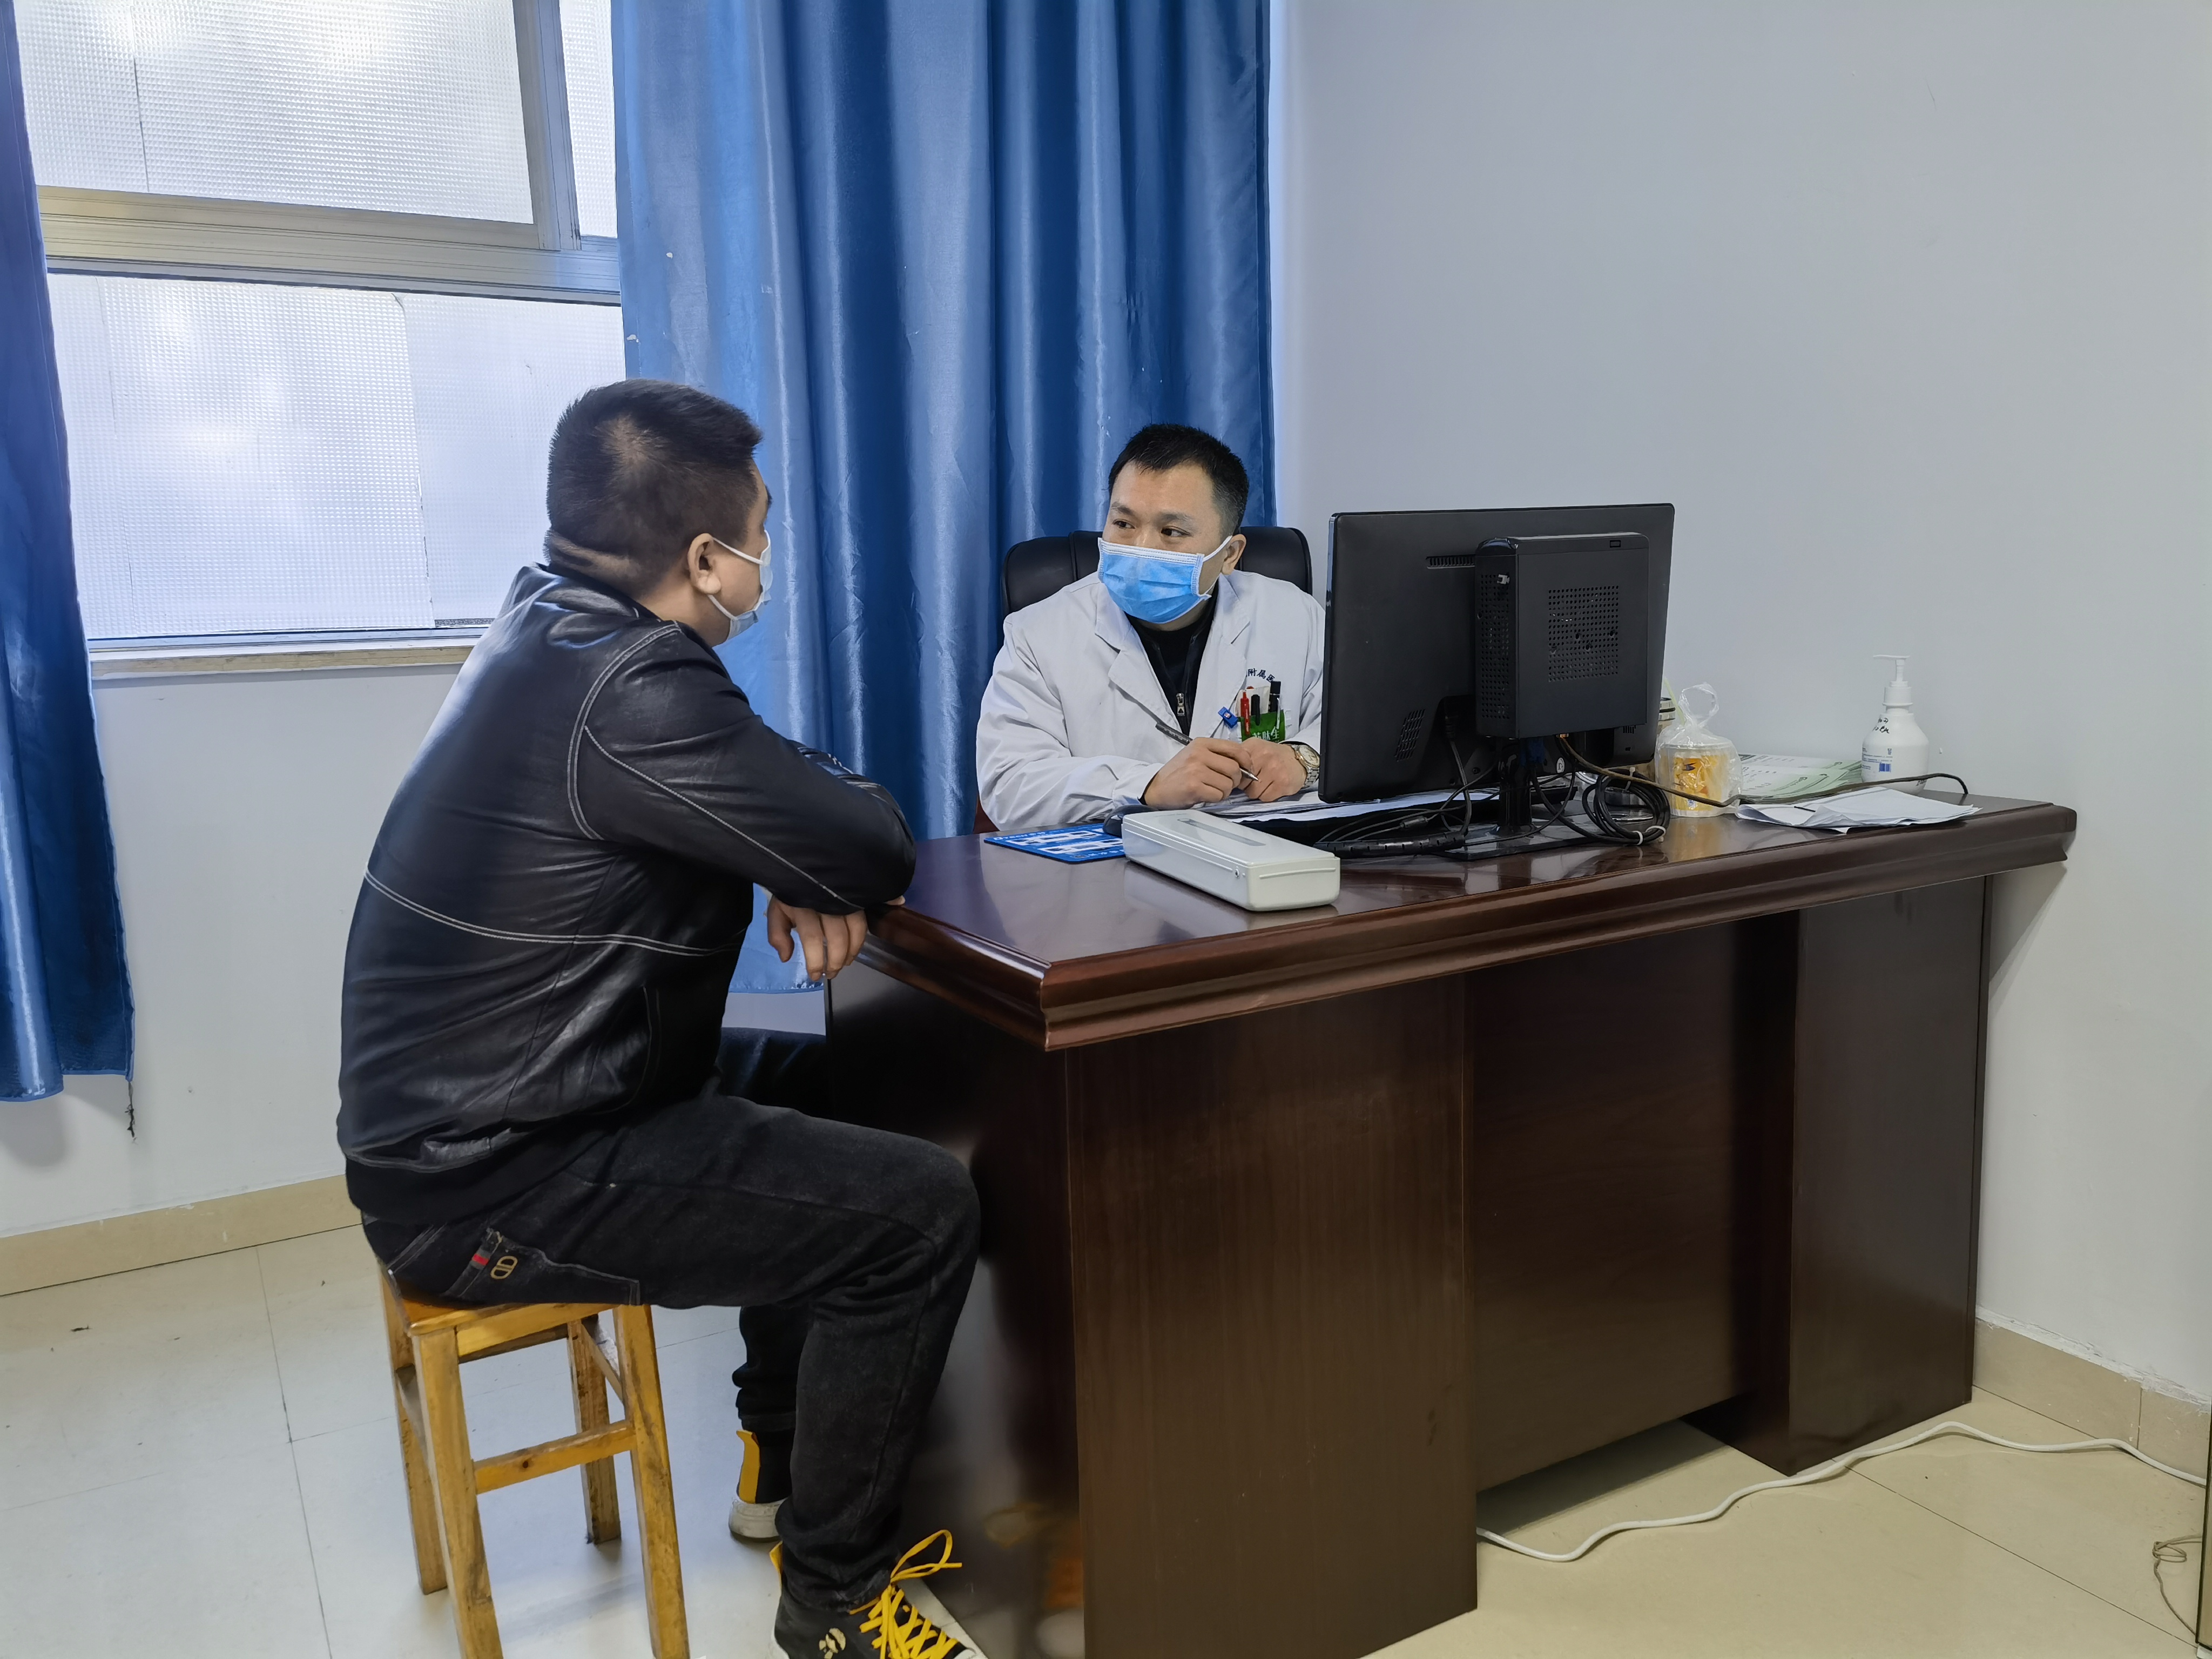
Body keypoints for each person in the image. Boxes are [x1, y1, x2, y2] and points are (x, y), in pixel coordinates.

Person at [336, 379, 980, 1659]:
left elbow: (776, 803)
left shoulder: (545, 623)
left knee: (835, 1080)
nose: (764, 558)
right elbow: (868, 838)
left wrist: (787, 853)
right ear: (703, 558)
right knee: (919, 1216)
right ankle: (837, 1601)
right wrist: (808, 856)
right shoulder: (632, 687)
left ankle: (781, 1458)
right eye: (760, 530)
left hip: (507, 1109)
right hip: (498, 1178)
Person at [975, 423, 1324, 831]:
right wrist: (1146, 785)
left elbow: (1364, 733)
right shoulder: (1038, 634)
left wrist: (1304, 758)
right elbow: (1009, 786)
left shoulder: (1295, 616)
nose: (1140, 548)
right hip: (1116, 863)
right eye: (1124, 524)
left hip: (1265, 854)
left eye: (1171, 531)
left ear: (1230, 554)